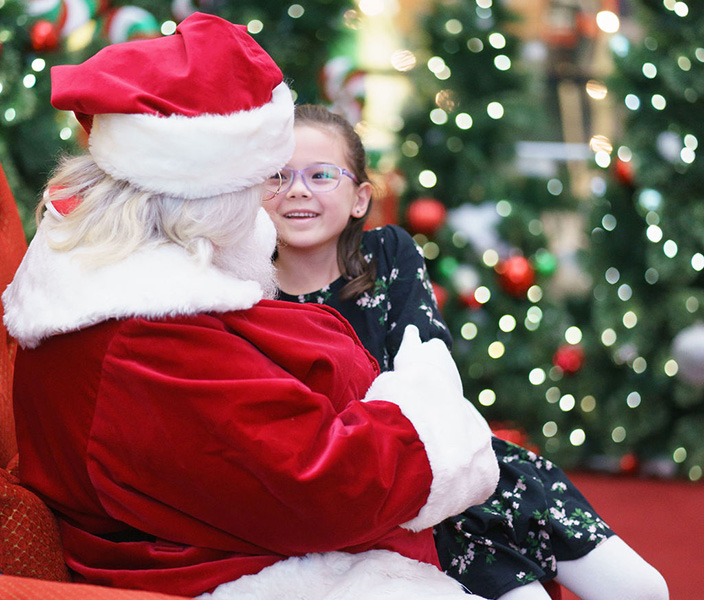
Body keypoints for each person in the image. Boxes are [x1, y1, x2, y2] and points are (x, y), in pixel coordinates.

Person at [2, 14, 500, 600]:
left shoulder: (129, 294)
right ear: (208, 199)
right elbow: (321, 483)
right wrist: (429, 418)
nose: (271, 201)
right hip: (232, 576)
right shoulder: (145, 337)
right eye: (260, 182)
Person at [264, 104, 670, 600]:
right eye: (278, 176)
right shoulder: (249, 292)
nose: (297, 190)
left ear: (359, 197)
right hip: (391, 509)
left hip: (463, 465)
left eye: (322, 174)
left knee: (643, 589)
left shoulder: (388, 253)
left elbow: (428, 367)